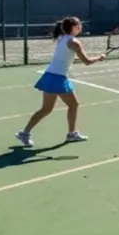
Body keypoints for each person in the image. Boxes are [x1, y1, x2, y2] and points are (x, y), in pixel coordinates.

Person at [15, 16, 105, 147]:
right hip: (58, 78)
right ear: (73, 27)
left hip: (50, 75)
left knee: (46, 109)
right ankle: (71, 134)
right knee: (73, 105)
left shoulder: (62, 38)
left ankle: (24, 133)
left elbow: (67, 57)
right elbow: (87, 61)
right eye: (79, 25)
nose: (81, 27)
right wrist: (100, 57)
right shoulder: (74, 42)